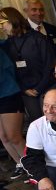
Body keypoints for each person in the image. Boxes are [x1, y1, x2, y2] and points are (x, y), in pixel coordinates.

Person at [1, 7, 55, 121]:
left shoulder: (38, 38)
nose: (1, 27)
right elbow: (11, 72)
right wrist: (24, 89)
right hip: (27, 93)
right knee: (37, 124)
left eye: (2, 23)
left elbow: (50, 65)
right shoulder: (7, 44)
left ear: (12, 19)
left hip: (47, 87)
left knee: (52, 121)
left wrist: (39, 88)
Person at [0, 46, 26, 180]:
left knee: (13, 136)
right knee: (3, 136)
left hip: (8, 94)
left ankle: (33, 167)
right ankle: (20, 164)